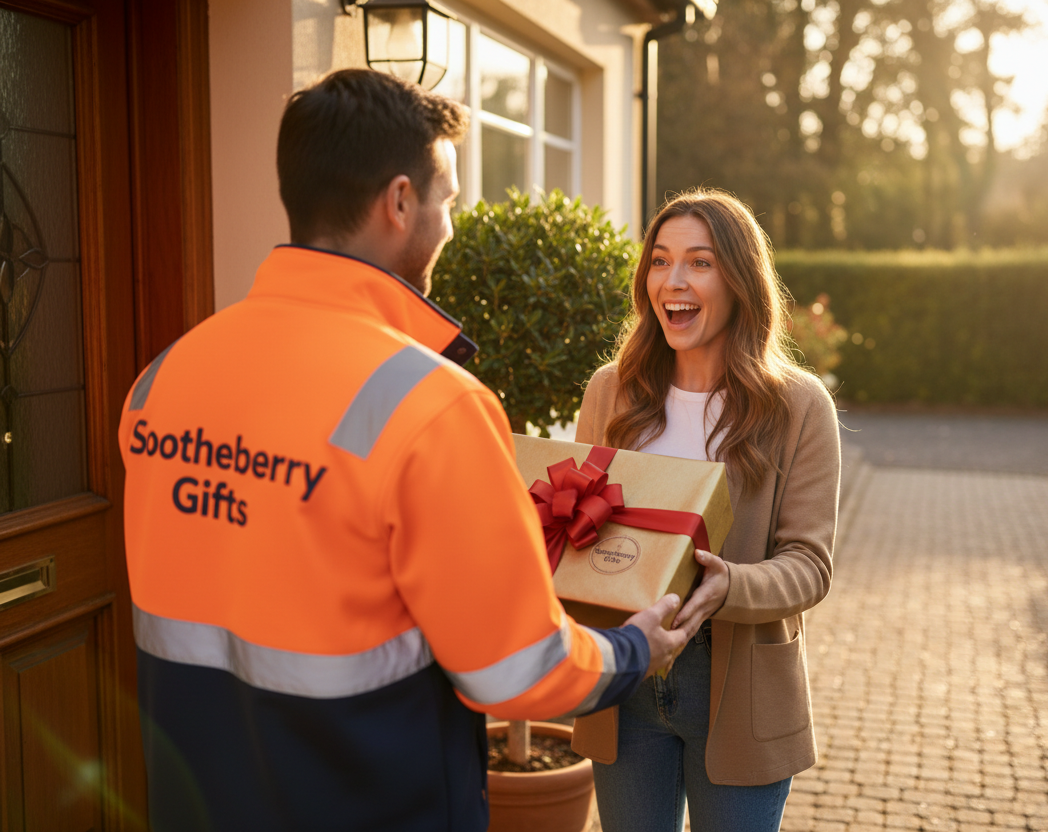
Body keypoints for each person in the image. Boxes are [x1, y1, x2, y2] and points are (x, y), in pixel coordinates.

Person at [118, 69, 694, 832]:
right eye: (447, 199)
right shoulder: (432, 407)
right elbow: (517, 671)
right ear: (398, 203)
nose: (450, 224)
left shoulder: (162, 379)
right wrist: (631, 649)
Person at [571, 190, 841, 832]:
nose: (674, 280)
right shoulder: (612, 390)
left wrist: (730, 586)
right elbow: (576, 523)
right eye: (660, 261)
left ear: (740, 280)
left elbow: (810, 565)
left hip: (739, 686)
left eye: (700, 262)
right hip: (628, 673)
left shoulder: (798, 407)